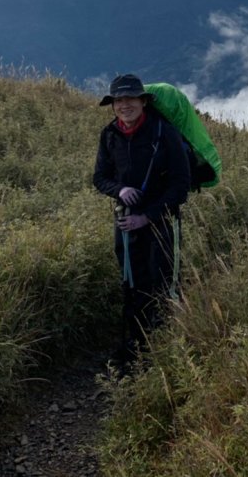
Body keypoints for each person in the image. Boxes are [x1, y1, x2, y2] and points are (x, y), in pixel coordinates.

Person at [92, 73, 190, 365]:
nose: (125, 105)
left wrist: (147, 217)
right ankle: (135, 347)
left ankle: (165, 349)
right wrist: (119, 189)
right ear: (113, 106)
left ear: (143, 101)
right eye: (119, 100)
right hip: (125, 224)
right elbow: (100, 178)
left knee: (163, 282)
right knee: (131, 282)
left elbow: (180, 185)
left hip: (162, 222)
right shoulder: (110, 135)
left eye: (130, 99)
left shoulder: (164, 133)